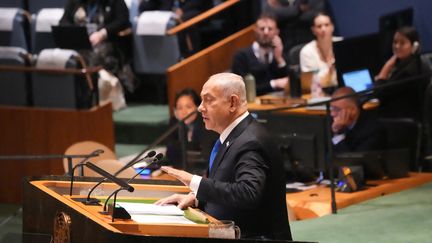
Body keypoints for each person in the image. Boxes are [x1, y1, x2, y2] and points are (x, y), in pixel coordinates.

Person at [156, 73, 292, 240]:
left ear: (232, 103)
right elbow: (227, 187)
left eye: (208, 100)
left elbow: (248, 193)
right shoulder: (232, 137)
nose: (200, 107)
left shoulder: (251, 141)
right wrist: (198, 199)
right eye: (201, 100)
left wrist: (194, 181)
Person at [60, 0, 133, 110]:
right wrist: (76, 33)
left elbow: (123, 21)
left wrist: (103, 33)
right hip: (79, 44)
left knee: (93, 57)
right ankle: (69, 98)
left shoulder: (115, 2)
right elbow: (63, 21)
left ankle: (89, 98)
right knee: (66, 58)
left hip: (107, 44)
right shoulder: (75, 2)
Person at [374, 26, 431, 120]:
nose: (397, 46)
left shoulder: (409, 71)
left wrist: (386, 68)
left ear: (414, 46)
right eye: (395, 42)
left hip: (403, 123)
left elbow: (379, 94)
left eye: (402, 43)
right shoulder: (414, 63)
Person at [231, 13, 290, 96]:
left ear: (277, 32)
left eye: (270, 29)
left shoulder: (280, 55)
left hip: (280, 101)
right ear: (255, 31)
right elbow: (241, 89)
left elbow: (289, 82)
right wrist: (273, 84)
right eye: (262, 29)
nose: (266, 32)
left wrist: (280, 59)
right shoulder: (241, 56)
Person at [165, 88, 217, 171]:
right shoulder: (175, 123)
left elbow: (206, 156)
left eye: (188, 107)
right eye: (179, 108)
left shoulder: (207, 123)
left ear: (198, 108)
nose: (184, 112)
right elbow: (170, 154)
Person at [139, 0, 213, 56]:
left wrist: (183, 10)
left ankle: (191, 56)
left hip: (198, 11)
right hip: (174, 15)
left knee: (184, 20)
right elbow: (159, 5)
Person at [331, 87, 386, 153]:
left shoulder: (373, 131)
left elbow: (353, 161)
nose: (332, 114)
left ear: (353, 110)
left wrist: (338, 135)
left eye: (337, 109)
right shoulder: (335, 124)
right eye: (332, 108)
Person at [300, 12, 340, 98]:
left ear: (332, 27)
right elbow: (310, 83)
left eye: (326, 25)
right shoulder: (307, 52)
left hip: (343, 90)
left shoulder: (342, 44)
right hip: (319, 95)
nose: (323, 29)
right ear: (313, 30)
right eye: (319, 26)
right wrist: (329, 71)